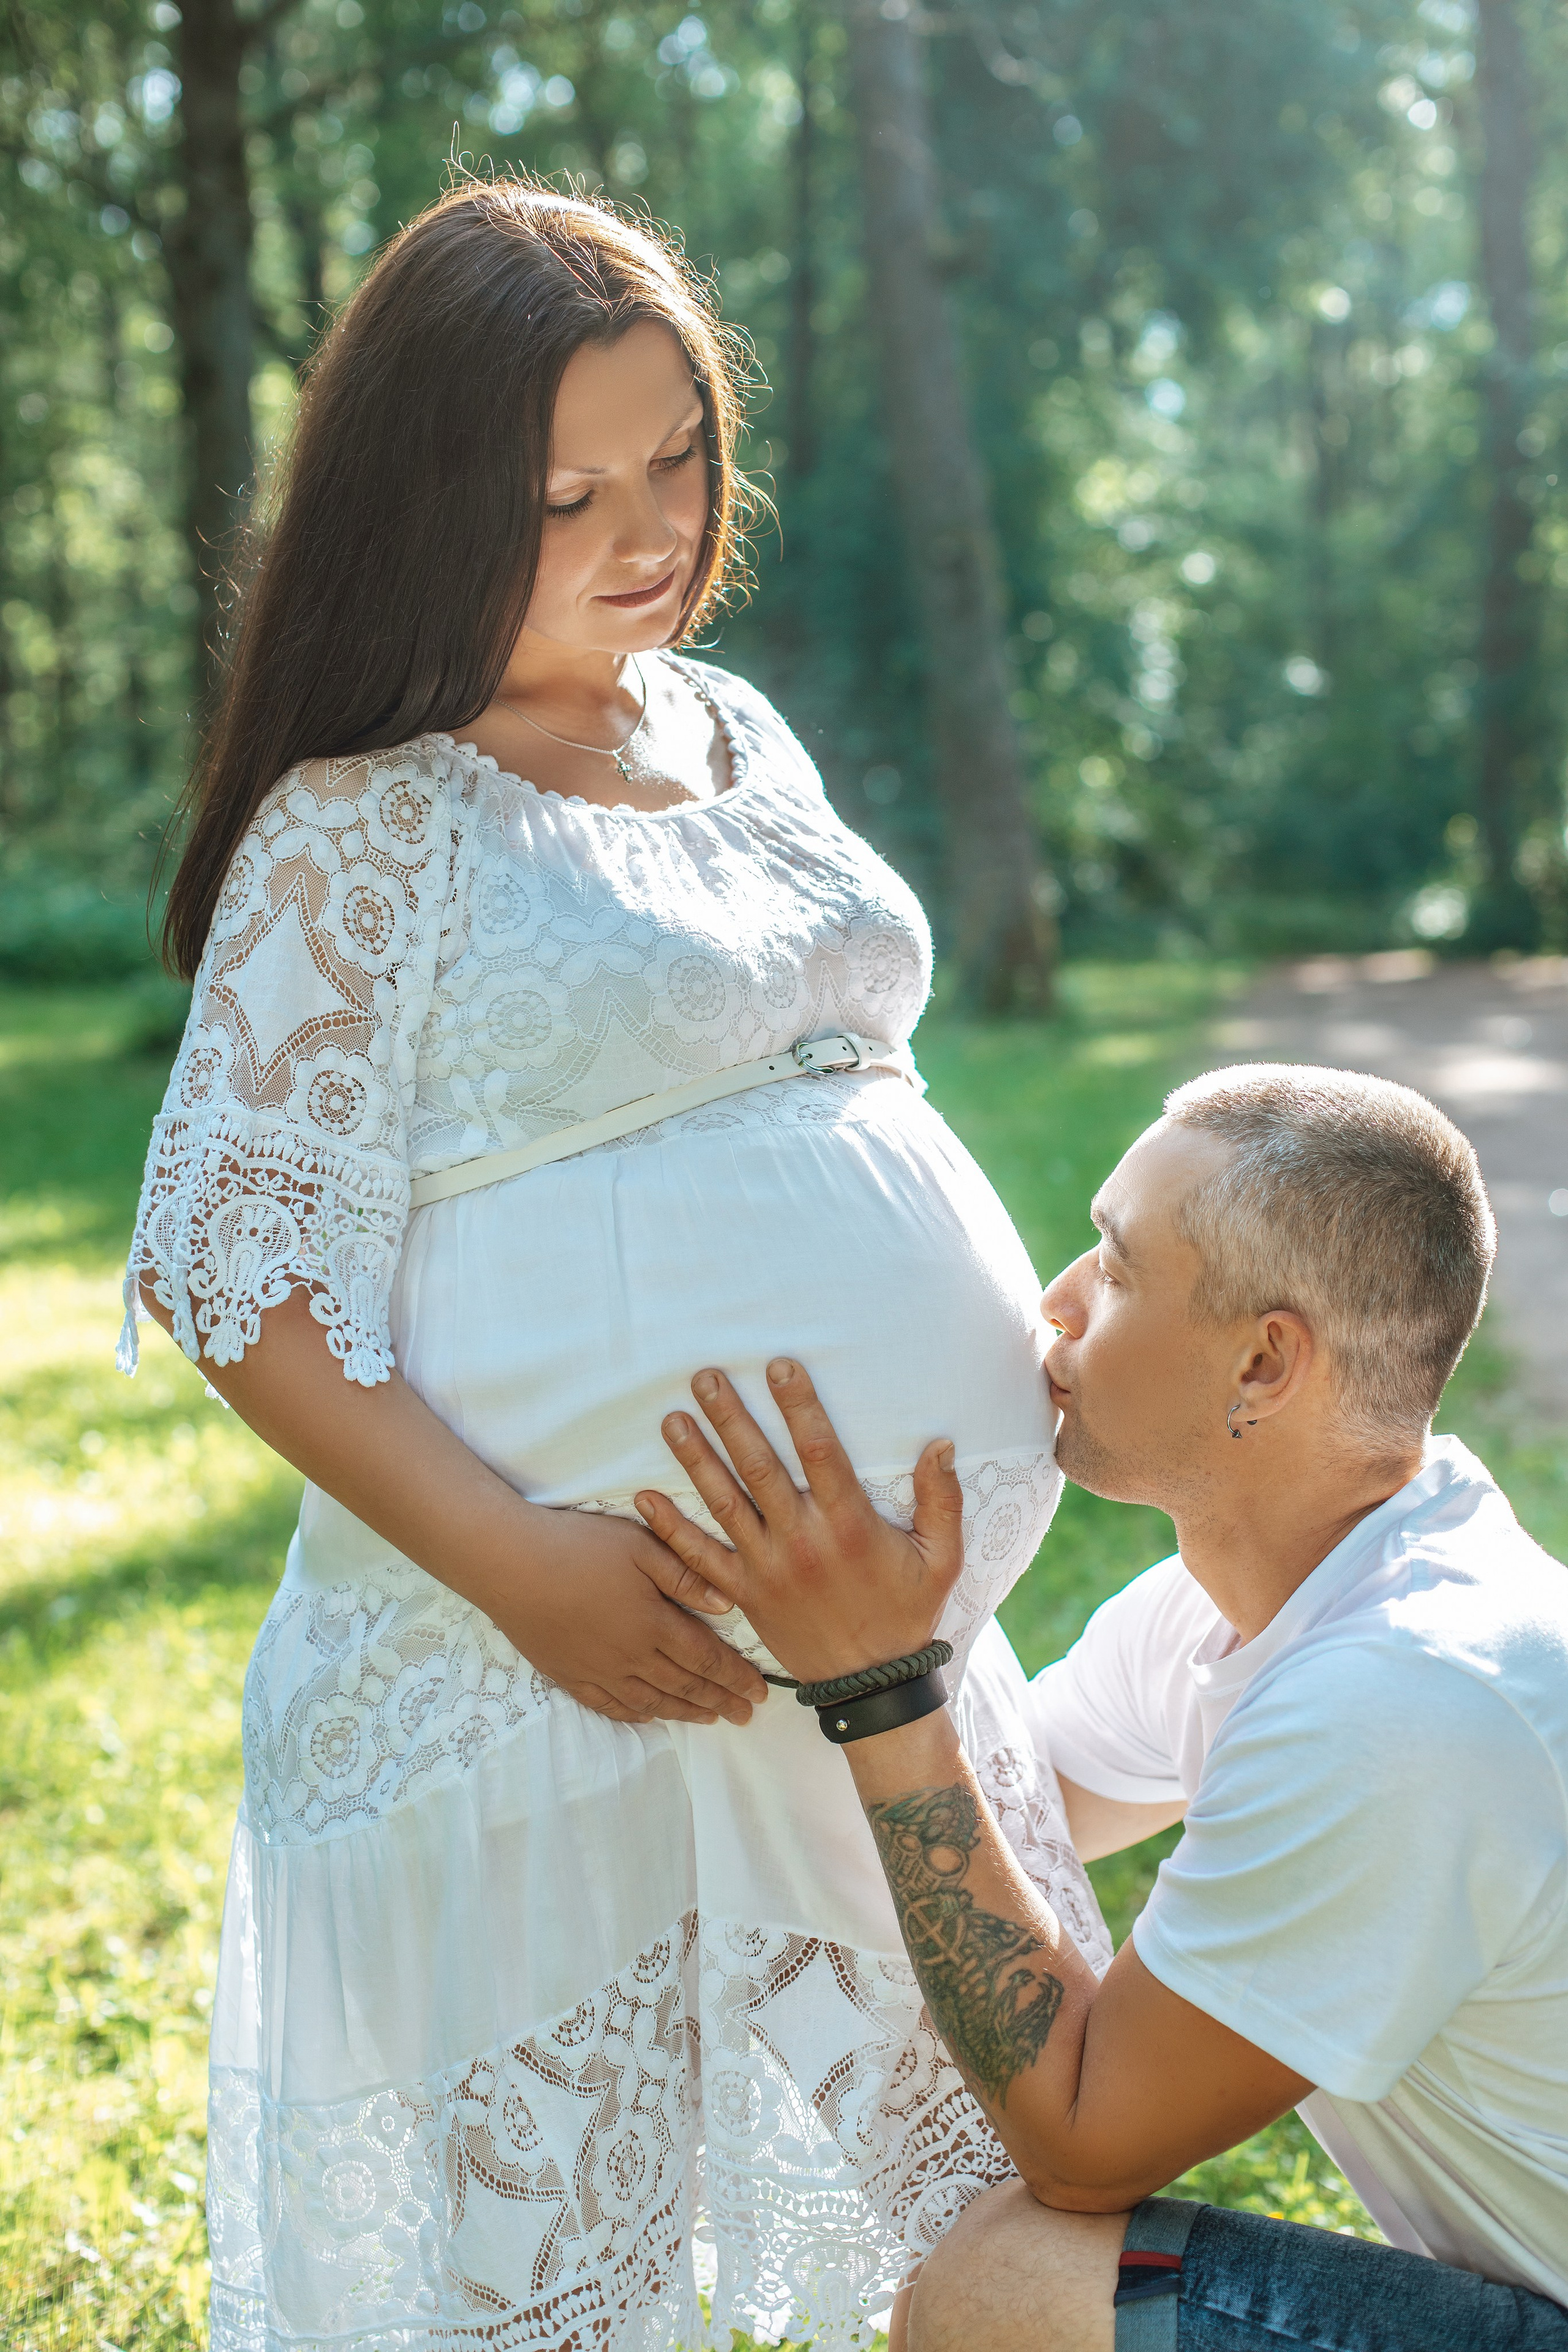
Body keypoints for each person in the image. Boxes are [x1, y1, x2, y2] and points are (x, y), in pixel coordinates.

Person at [121, 176, 1107, 2351]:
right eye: (569, 492)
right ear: (428, 502)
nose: (649, 526)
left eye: (678, 455)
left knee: (1013, 2215)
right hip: (535, 1681)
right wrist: (523, 1567)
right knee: (545, 2297)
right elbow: (234, 1271)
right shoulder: (368, 819)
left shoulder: (735, 731)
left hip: (865, 1673)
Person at [636, 1063, 1568, 2351]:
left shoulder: (1400, 1699)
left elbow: (1081, 2140)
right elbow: (1008, 1829)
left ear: (1260, 1362)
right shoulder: (1251, 1608)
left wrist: (878, 1689)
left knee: (1010, 2287)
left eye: (1117, 1270)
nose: (1055, 1305)